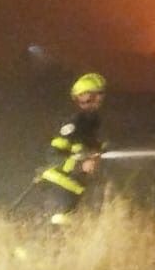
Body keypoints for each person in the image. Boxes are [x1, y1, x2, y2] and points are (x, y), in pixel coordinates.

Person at [37, 73, 112, 226]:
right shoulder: (74, 123)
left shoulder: (92, 123)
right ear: (83, 97)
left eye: (100, 95)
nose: (99, 99)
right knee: (51, 231)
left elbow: (86, 149)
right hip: (57, 186)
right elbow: (53, 155)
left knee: (62, 234)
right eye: (94, 95)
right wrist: (80, 165)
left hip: (72, 190)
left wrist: (98, 152)